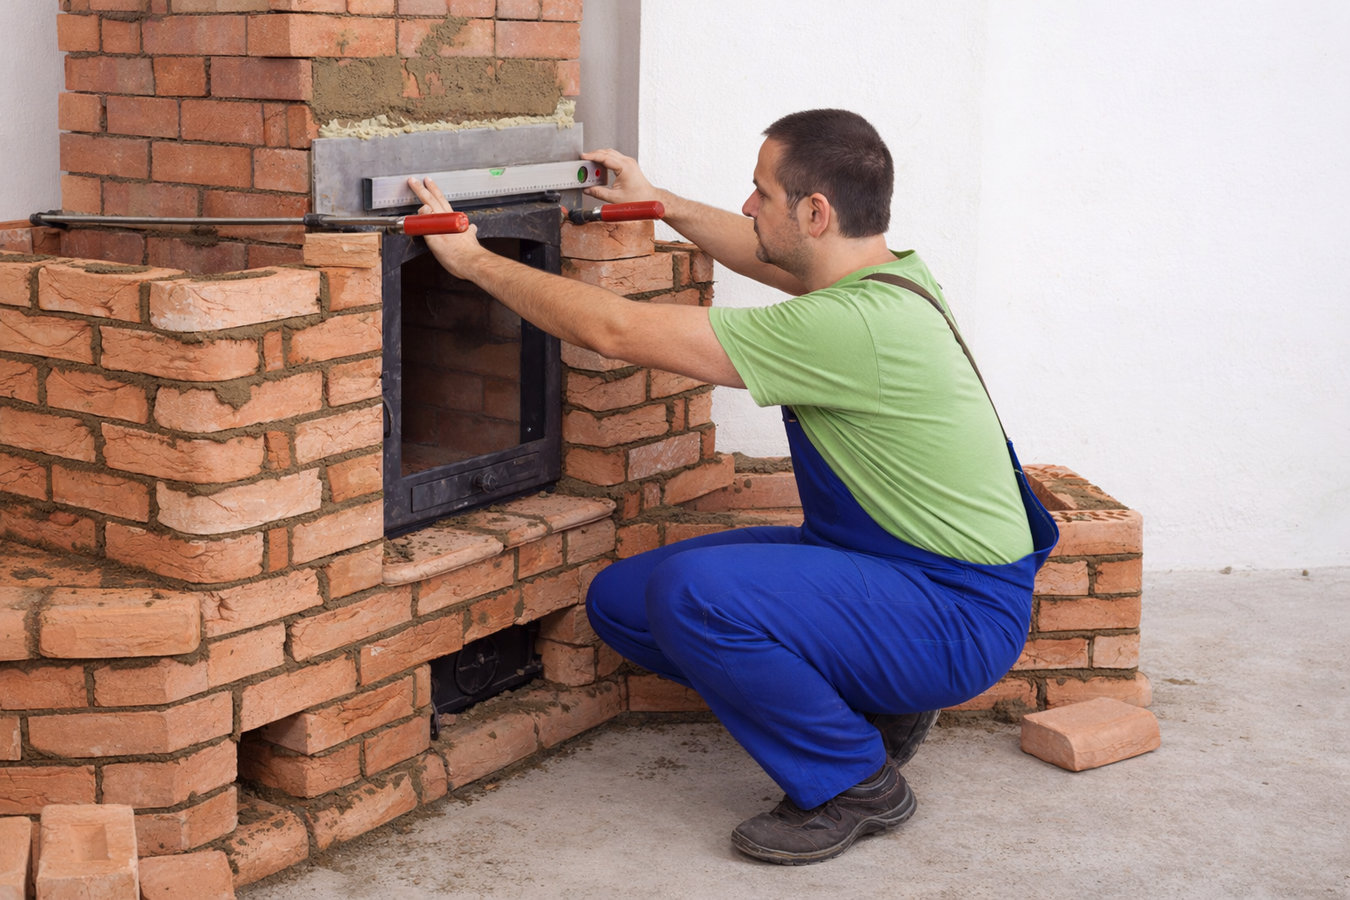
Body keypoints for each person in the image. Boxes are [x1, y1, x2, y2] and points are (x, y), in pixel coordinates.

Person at [407, 108, 1056, 865]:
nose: (748, 207)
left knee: (695, 592)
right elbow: (772, 263)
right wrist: (660, 202)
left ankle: (856, 782)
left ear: (815, 212)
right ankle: (876, 703)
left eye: (761, 192)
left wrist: (474, 261)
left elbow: (614, 332)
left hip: (956, 611)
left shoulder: (852, 326)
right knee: (623, 603)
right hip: (895, 569)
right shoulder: (888, 275)